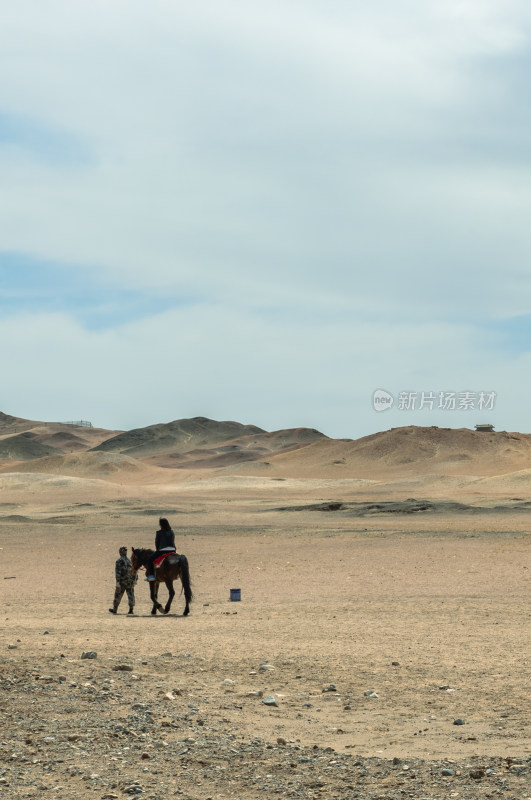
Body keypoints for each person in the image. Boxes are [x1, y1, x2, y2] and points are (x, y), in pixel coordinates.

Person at [109, 546, 138, 614]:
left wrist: (117, 582)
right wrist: (135, 580)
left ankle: (115, 609)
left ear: (120, 553)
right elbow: (135, 571)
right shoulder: (130, 560)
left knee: (118, 595)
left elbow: (118, 573)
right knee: (131, 595)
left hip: (122, 581)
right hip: (130, 581)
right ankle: (131, 609)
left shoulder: (119, 561)